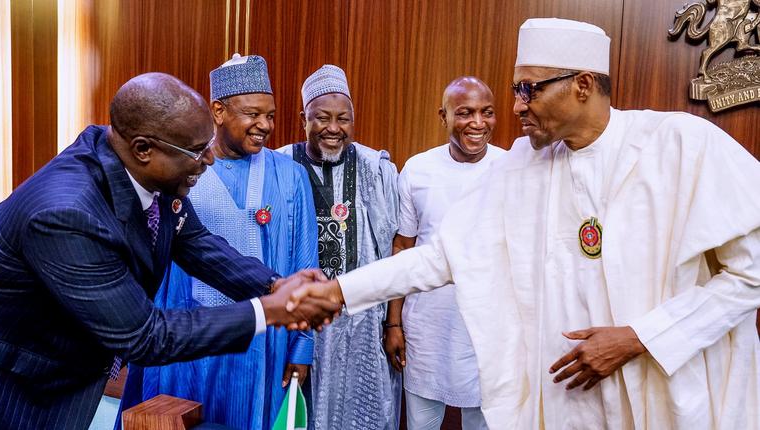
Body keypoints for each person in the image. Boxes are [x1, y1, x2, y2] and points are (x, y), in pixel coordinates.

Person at [289, 18, 760, 429]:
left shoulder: (681, 146)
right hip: (568, 400)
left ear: (583, 84)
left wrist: (640, 337)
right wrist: (338, 292)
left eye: (529, 89)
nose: (516, 107)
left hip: (664, 392)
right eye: (517, 90)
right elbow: (440, 257)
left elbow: (748, 275)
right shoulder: (523, 167)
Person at [0, 72, 337, 429]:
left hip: (62, 370)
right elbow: (145, 337)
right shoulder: (67, 214)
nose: (209, 160)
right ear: (144, 149)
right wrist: (270, 311)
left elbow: (196, 243)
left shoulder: (149, 174)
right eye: (196, 151)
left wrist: (275, 285)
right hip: (10, 383)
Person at [117, 56, 319, 429]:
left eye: (271, 115)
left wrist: (302, 347)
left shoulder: (290, 175)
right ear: (219, 110)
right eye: (253, 114)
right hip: (184, 341)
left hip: (260, 344)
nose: (265, 125)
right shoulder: (177, 168)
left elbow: (304, 262)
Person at [276, 64, 402, 430]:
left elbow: (395, 248)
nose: (334, 128)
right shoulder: (280, 164)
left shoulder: (374, 167)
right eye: (322, 118)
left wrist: (393, 322)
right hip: (298, 322)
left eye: (343, 118)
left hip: (361, 324)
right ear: (304, 119)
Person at [383, 76, 503, 430]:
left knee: (483, 422)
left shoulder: (511, 167)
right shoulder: (418, 169)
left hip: (487, 328)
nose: (478, 123)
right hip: (426, 327)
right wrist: (394, 322)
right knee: (422, 424)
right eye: (465, 113)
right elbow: (403, 248)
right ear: (444, 116)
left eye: (487, 113)